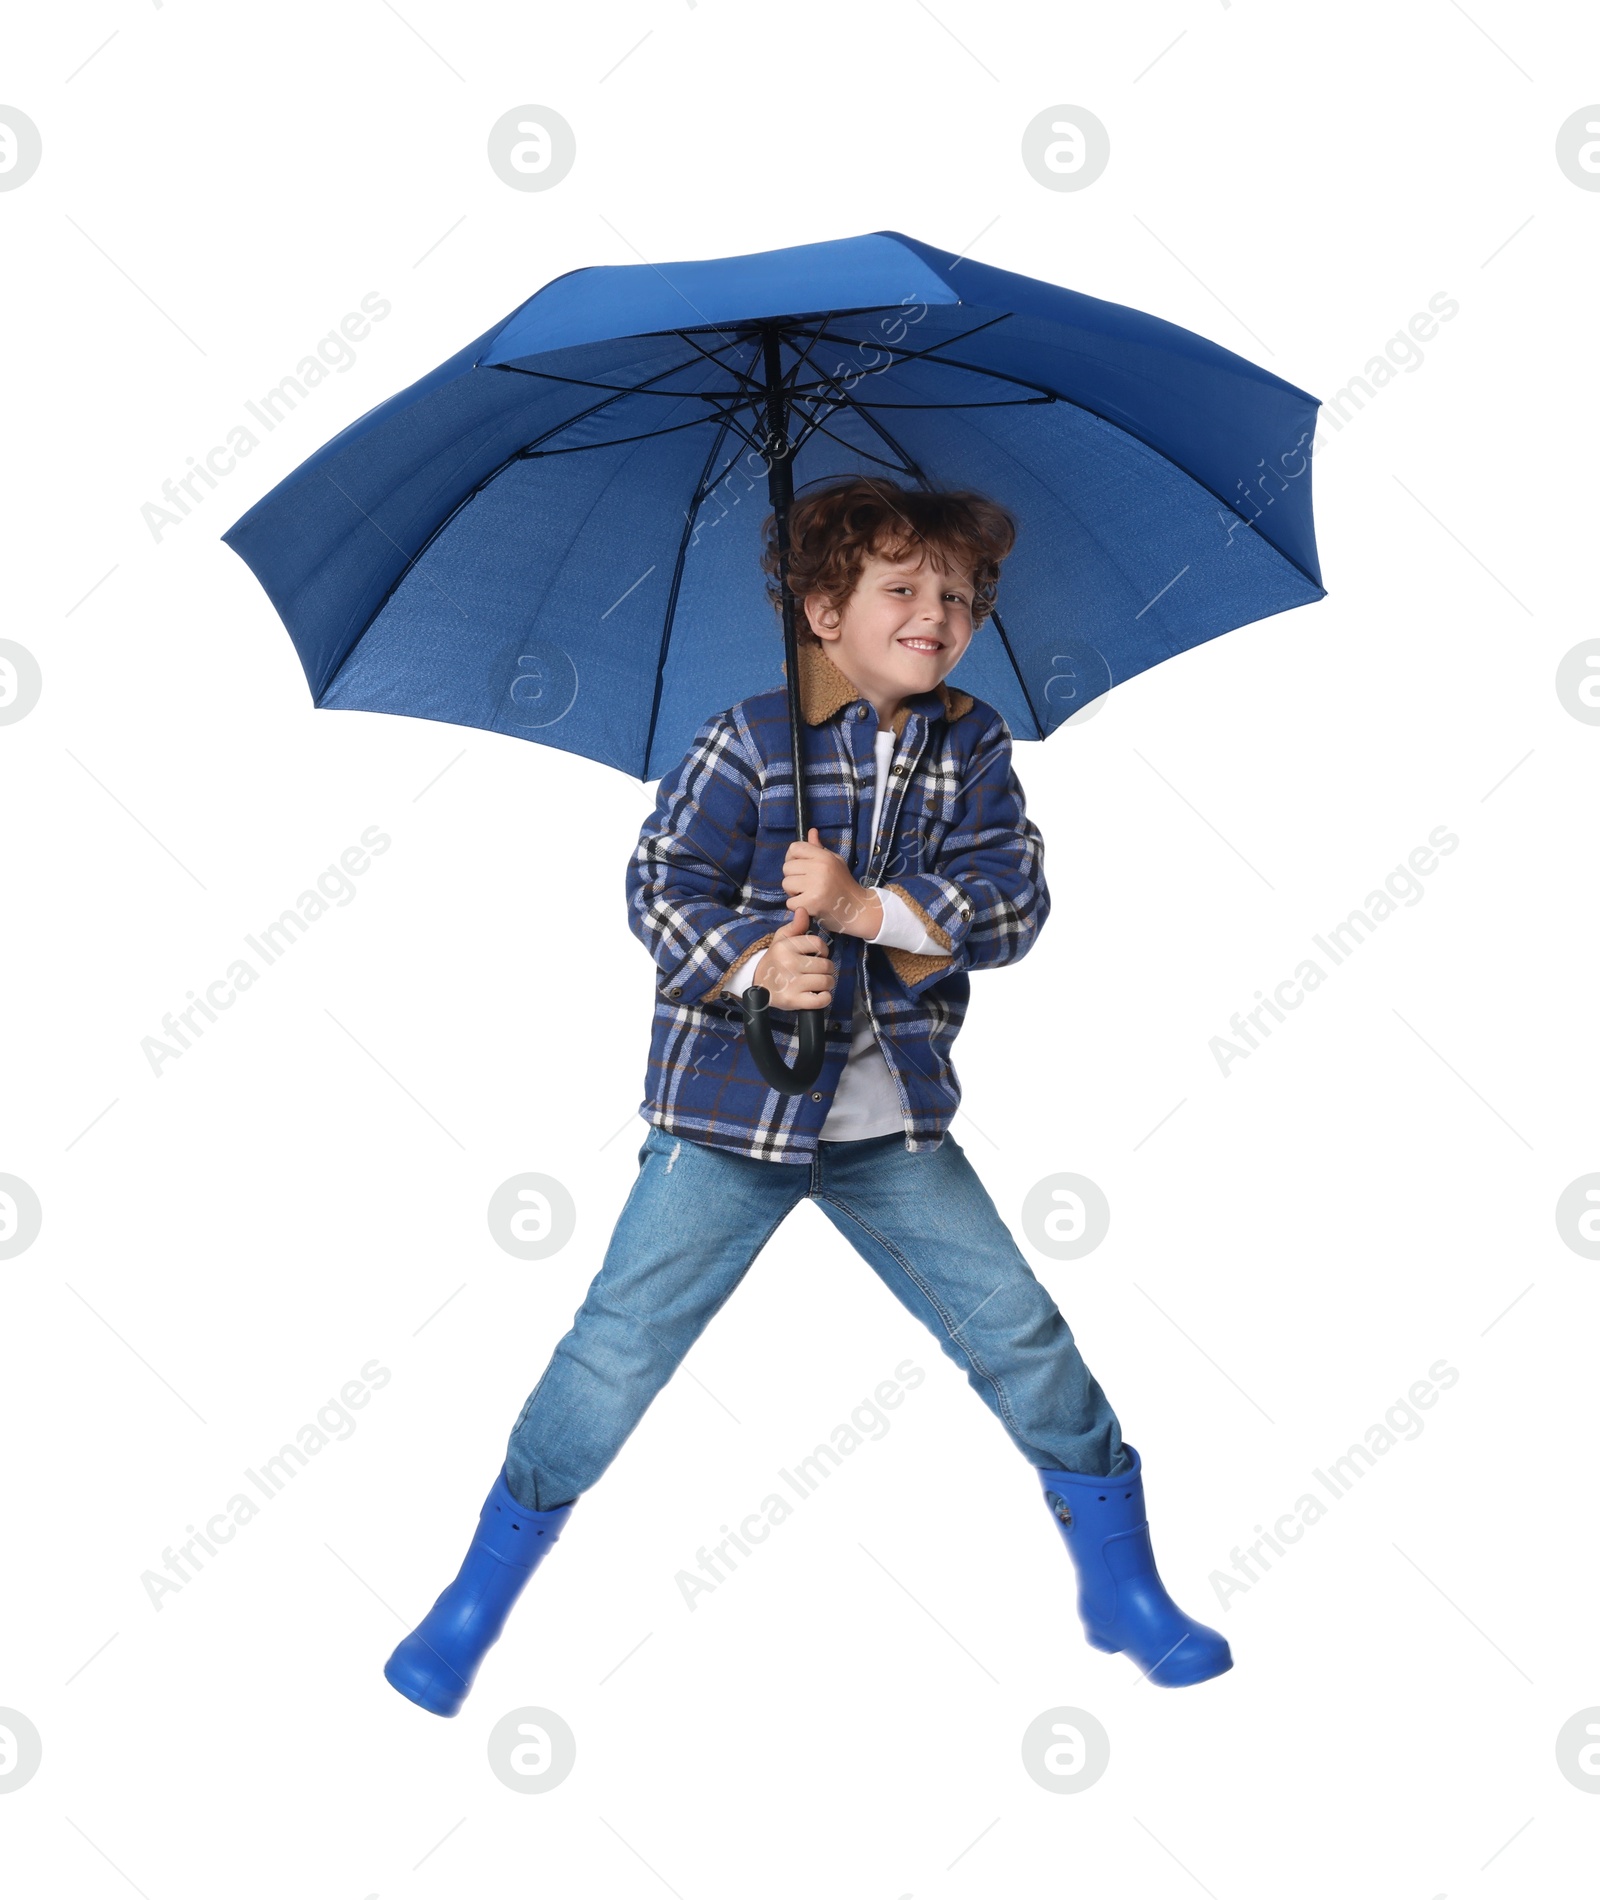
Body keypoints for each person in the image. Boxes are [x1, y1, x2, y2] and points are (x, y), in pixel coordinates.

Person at [383, 477, 1231, 1715]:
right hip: (727, 1120)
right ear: (824, 610)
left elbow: (1012, 902)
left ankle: (1121, 1586)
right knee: (613, 1353)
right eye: (901, 588)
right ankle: (476, 1597)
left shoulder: (973, 745)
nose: (936, 612)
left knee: (1020, 1337)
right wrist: (748, 956)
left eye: (958, 594)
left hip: (892, 1126)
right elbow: (658, 884)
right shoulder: (743, 736)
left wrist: (865, 913)